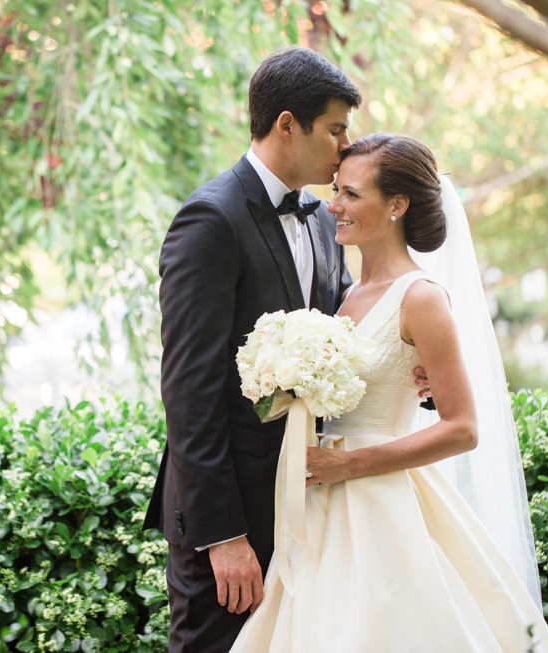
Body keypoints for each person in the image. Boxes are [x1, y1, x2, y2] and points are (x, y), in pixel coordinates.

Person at [228, 133, 548, 652]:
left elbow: (464, 428)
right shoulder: (346, 295)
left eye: (352, 195)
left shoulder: (422, 297)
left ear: (397, 206)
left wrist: (352, 466)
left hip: (380, 504)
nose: (333, 204)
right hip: (319, 506)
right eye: (337, 189)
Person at [141, 47, 363, 652]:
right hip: (233, 518)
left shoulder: (322, 219)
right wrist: (224, 537)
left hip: (308, 506)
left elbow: (342, 327)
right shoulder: (210, 220)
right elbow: (190, 391)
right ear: (288, 124)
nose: (347, 145)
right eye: (337, 129)